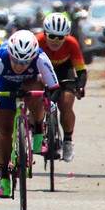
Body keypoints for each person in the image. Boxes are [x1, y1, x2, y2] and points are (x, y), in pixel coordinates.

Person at [0, 30, 60, 199]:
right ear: (10, 54)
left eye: (25, 61)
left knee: (36, 90)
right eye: (15, 60)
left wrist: (50, 102)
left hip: (28, 84)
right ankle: (4, 178)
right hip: (4, 87)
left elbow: (54, 88)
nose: (19, 65)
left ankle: (38, 131)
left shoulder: (41, 58)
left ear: (33, 57)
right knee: (4, 130)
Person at [36, 13, 87, 162]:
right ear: (44, 33)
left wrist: (80, 86)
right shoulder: (37, 41)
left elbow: (81, 70)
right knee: (35, 100)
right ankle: (37, 133)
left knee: (65, 104)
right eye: (52, 36)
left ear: (67, 36)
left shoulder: (72, 44)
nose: (56, 41)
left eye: (60, 37)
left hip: (63, 71)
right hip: (42, 70)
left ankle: (68, 140)